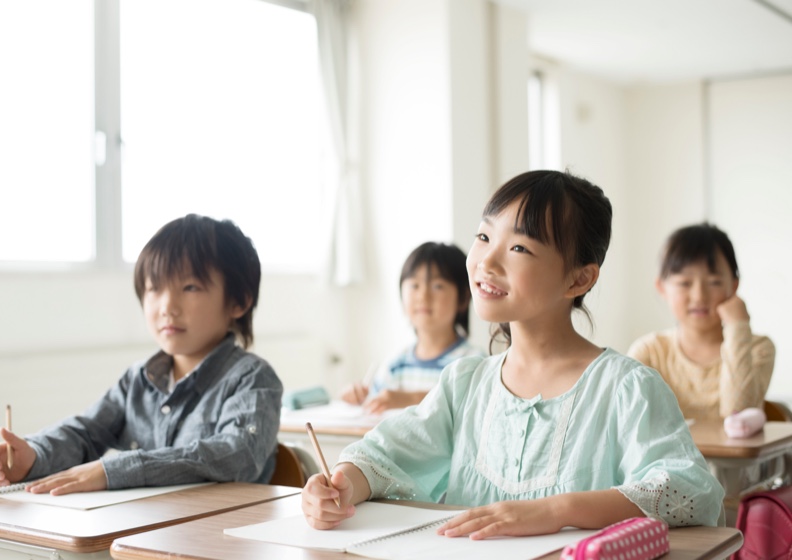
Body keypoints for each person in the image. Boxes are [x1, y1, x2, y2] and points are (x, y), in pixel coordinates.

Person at [302, 170, 724, 538]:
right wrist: (342, 485)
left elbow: (689, 490)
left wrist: (558, 511)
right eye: (484, 236)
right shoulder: (464, 384)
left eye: (519, 248)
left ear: (579, 280)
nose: (487, 260)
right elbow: (383, 456)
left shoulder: (626, 388)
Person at [0, 214, 283, 495]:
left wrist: (117, 469)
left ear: (239, 301)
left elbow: (236, 454)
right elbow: (86, 432)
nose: (167, 307)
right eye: (154, 288)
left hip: (218, 531)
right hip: (147, 528)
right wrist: (34, 455)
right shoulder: (138, 379)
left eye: (190, 287)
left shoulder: (252, 379)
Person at [627, 223, 775, 420]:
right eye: (684, 283)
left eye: (714, 282)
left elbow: (737, 415)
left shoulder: (758, 348)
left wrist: (738, 327)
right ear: (662, 288)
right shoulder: (650, 352)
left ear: (734, 286)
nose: (699, 296)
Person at [339, 242, 485, 414]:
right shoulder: (395, 364)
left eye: (437, 286)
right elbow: (373, 407)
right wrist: (357, 397)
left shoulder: (473, 362)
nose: (423, 296)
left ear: (463, 297)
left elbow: (470, 406)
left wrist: (408, 399)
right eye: (414, 285)